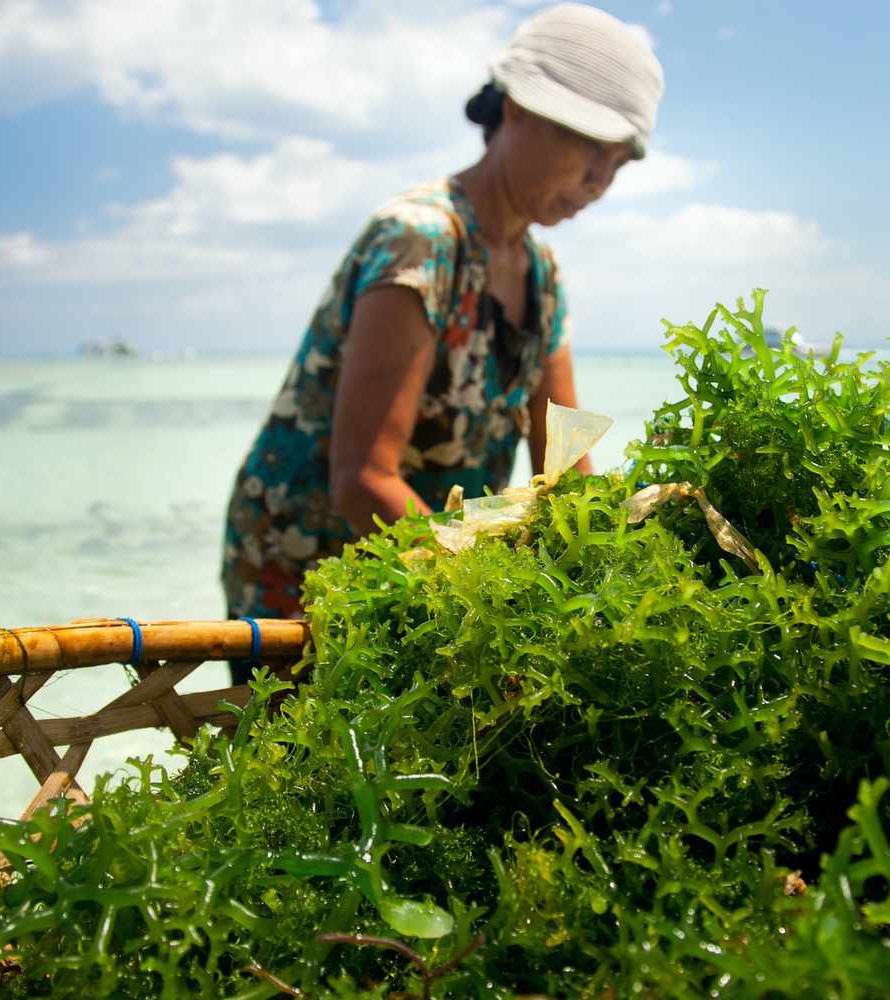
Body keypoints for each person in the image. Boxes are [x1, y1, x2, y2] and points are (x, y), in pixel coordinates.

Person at [221, 3, 664, 680]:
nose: (599, 179)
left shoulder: (541, 273)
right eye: (588, 146)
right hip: (309, 560)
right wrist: (495, 603)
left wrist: (610, 572)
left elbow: (567, 465)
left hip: (433, 567)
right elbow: (364, 481)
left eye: (618, 162)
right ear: (515, 110)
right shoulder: (422, 240)